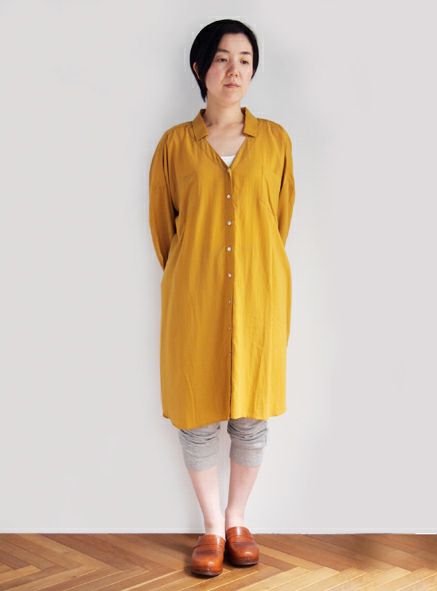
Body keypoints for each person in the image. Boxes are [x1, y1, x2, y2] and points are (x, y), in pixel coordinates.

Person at [148, 19, 295, 577]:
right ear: (199, 67)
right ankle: (210, 528)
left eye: (245, 60)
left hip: (260, 295)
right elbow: (164, 231)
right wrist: (197, 274)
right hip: (195, 298)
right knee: (197, 415)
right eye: (222, 59)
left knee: (251, 415)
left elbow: (278, 222)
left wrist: (253, 272)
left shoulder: (275, 141)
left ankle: (238, 521)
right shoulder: (174, 145)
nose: (234, 71)